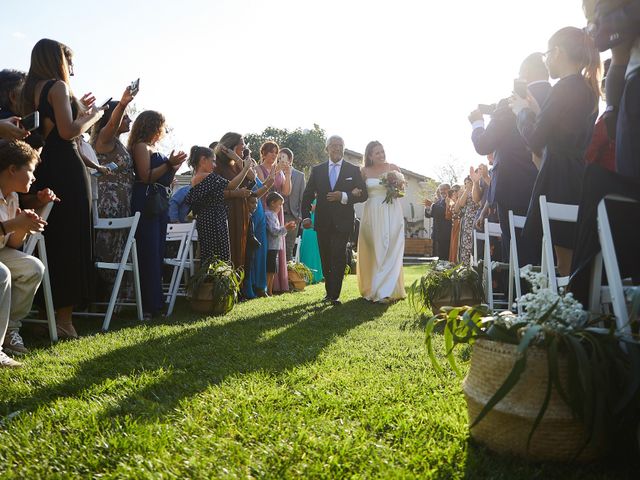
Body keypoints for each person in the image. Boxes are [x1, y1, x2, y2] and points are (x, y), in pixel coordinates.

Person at [19, 38, 104, 338]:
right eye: (68, 60)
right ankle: (65, 320)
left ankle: (46, 314)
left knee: (49, 240)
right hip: (67, 169)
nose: (71, 68)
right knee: (71, 239)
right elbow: (68, 132)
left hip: (41, 167)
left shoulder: (28, 92)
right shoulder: (58, 86)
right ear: (57, 60)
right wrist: (93, 116)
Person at [511, 27, 600, 277]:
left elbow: (536, 139)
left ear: (558, 52)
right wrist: (538, 112)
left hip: (559, 181)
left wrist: (522, 113)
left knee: (564, 267)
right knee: (573, 263)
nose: (547, 59)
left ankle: (565, 315)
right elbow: (561, 133)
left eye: (548, 53)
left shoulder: (562, 87)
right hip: (579, 179)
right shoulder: (587, 89)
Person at [469, 53, 552, 266]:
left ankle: (521, 298)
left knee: (518, 256)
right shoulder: (557, 96)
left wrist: (478, 123)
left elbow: (484, 144)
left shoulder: (510, 103)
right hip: (551, 184)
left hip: (513, 191)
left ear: (524, 75)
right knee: (548, 252)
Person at [129, 110, 187, 319]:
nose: (164, 130)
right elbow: (145, 175)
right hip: (146, 201)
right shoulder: (141, 147)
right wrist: (169, 164)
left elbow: (163, 176)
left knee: (158, 252)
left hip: (159, 202)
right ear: (153, 126)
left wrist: (174, 166)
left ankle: (156, 300)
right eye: (161, 125)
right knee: (148, 251)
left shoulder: (154, 148)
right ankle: (148, 303)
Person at [301, 135, 368, 306]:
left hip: (343, 222)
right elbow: (307, 195)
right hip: (322, 221)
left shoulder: (353, 170)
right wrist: (306, 217)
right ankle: (329, 292)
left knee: (338, 256)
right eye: (333, 145)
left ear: (343, 148)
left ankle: (334, 294)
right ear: (327, 149)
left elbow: (364, 194)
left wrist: (343, 196)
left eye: (340, 145)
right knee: (326, 257)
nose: (337, 148)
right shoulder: (317, 170)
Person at [0, 140, 46, 364]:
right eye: (30, 170)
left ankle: (9, 330)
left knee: (32, 267)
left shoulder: (12, 196)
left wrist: (22, 227)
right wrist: (14, 224)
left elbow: (11, 245)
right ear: (12, 169)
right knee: (2, 273)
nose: (34, 178)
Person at [186, 145, 254, 266]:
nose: (215, 165)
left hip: (207, 219)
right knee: (219, 257)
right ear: (203, 160)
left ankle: (210, 283)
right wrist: (245, 168)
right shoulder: (207, 177)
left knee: (209, 256)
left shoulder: (195, 178)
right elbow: (232, 185)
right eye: (213, 161)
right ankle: (217, 283)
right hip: (214, 220)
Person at [356, 141, 406, 303]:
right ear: (369, 155)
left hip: (392, 211)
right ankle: (374, 287)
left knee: (391, 246)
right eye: (377, 152)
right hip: (372, 213)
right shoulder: (364, 171)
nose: (381, 155)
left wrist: (395, 188)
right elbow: (359, 191)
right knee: (376, 248)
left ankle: (386, 291)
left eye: (382, 151)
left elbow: (402, 192)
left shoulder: (393, 168)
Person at [213, 133, 269, 270]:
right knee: (229, 249)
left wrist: (237, 158)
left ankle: (238, 287)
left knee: (241, 249)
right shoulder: (217, 164)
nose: (244, 147)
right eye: (242, 144)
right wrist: (236, 193)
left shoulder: (236, 164)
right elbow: (215, 193)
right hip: (226, 212)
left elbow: (252, 177)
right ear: (231, 145)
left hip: (240, 211)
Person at [256, 141, 290, 292]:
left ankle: (276, 285)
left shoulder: (280, 171)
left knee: (276, 246)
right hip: (263, 210)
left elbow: (286, 192)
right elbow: (260, 187)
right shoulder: (258, 168)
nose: (274, 155)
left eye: (276, 152)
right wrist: (274, 172)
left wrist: (288, 174)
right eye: (271, 152)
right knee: (265, 246)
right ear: (263, 153)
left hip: (278, 211)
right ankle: (262, 285)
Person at [265, 192, 296, 296]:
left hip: (275, 246)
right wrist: (285, 228)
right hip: (271, 246)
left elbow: (279, 231)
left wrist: (286, 228)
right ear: (272, 203)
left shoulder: (273, 215)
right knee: (270, 270)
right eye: (279, 204)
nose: (280, 207)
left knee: (273, 270)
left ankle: (270, 290)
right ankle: (268, 290)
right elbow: (274, 231)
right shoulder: (268, 215)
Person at [280, 148, 306, 261]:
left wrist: (299, 217)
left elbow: (303, 198)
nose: (280, 160)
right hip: (277, 215)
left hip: (292, 216)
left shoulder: (300, 176)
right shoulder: (276, 173)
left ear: (290, 160)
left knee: (288, 249)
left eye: (283, 157)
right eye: (279, 158)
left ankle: (288, 277)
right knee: (276, 248)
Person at [455, 175, 481, 266]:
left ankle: (475, 266)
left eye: (468, 182)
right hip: (467, 220)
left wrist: (473, 186)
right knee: (466, 244)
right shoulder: (465, 192)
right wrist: (466, 190)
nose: (467, 184)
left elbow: (478, 201)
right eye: (465, 183)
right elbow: (461, 204)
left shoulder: (477, 188)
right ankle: (465, 267)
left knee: (474, 244)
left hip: (476, 218)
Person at [425, 184, 452, 260]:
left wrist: (432, 205)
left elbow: (444, 212)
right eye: (441, 189)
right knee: (437, 255)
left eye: (444, 189)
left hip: (446, 233)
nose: (442, 191)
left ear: (449, 190)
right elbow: (429, 215)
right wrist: (427, 207)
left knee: (444, 255)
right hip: (437, 232)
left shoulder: (451, 200)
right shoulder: (439, 201)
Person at [299, 200, 323, 283]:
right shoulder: (309, 196)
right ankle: (306, 275)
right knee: (308, 249)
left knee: (316, 250)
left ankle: (317, 275)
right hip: (309, 226)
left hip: (319, 225)